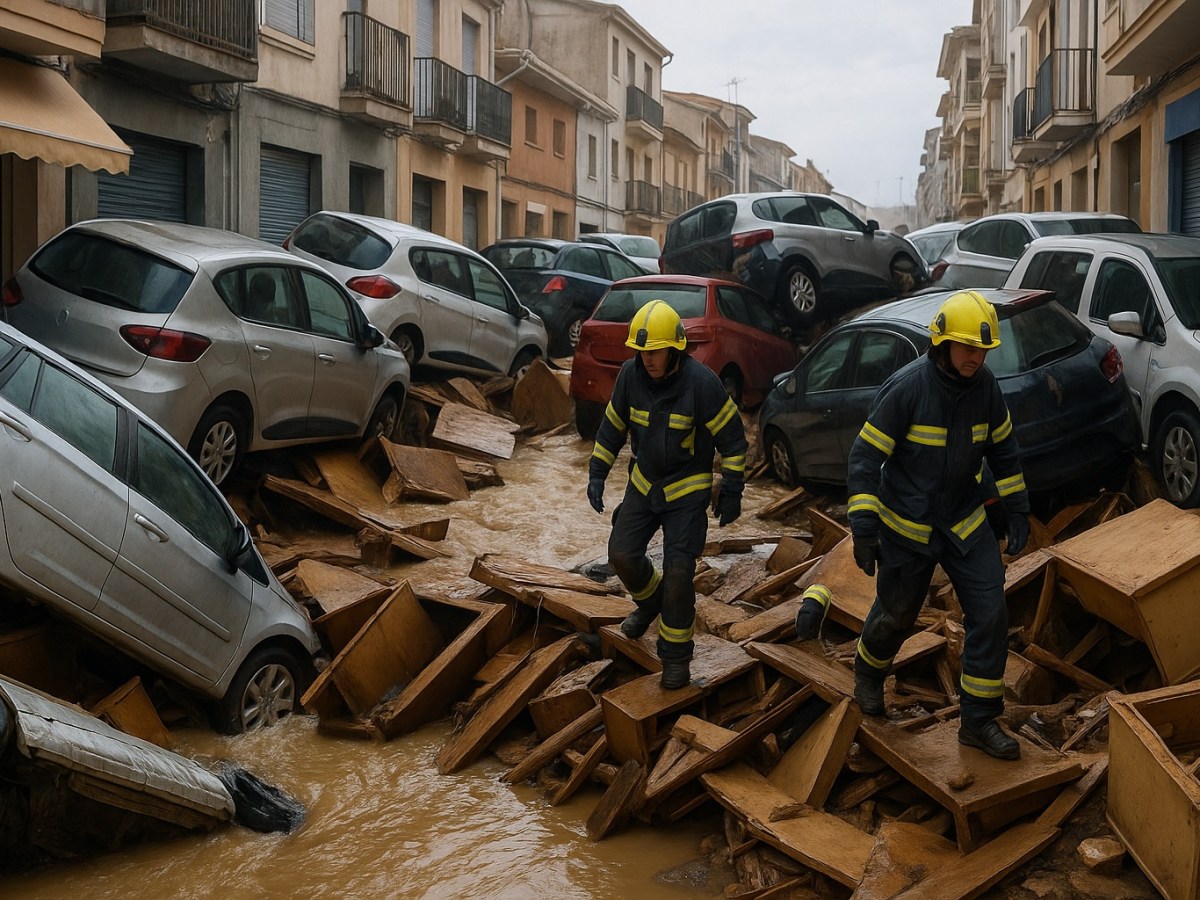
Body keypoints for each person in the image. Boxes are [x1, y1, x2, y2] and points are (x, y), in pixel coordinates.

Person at [846, 290, 1030, 760]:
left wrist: (1017, 509)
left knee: (990, 613)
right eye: (968, 347)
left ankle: (979, 720)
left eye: (983, 349)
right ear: (943, 342)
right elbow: (865, 459)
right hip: (907, 527)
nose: (977, 358)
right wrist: (864, 527)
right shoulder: (907, 388)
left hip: (964, 523)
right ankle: (868, 673)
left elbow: (1004, 454)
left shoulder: (986, 389)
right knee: (897, 615)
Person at [587, 300, 747, 689]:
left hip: (687, 493)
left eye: (655, 351)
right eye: (642, 352)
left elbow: (734, 441)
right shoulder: (630, 376)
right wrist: (597, 474)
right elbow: (612, 428)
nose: (647, 359)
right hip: (644, 484)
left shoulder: (702, 384)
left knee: (678, 574)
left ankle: (676, 658)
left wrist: (732, 490)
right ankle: (649, 603)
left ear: (675, 349)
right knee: (621, 555)